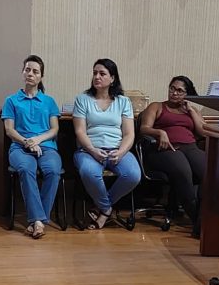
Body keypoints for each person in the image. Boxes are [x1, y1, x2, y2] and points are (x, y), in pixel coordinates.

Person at [73, 58, 141, 230]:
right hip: (89, 150)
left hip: (116, 149)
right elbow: (80, 131)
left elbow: (129, 134)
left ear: (112, 78)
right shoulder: (82, 99)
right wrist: (93, 150)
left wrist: (121, 152)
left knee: (133, 175)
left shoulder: (123, 101)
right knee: (89, 172)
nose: (97, 77)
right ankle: (106, 209)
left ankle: (101, 208)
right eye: (95, 73)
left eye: (102, 73)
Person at [1, 55, 62, 239]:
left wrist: (37, 140)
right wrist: (27, 142)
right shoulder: (11, 100)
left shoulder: (49, 101)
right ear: (22, 72)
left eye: (35, 71)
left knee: (53, 171)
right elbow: (9, 130)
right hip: (19, 147)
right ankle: (38, 220)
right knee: (26, 169)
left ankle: (37, 221)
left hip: (47, 147)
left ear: (41, 76)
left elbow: (54, 129)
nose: (30, 74)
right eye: (27, 70)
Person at [139, 76, 205, 237]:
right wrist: (160, 132)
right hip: (164, 150)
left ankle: (205, 218)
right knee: (183, 171)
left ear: (187, 94)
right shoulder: (157, 106)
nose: (174, 93)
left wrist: (191, 110)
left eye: (180, 91)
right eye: (172, 88)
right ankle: (200, 224)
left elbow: (203, 132)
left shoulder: (192, 110)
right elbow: (144, 128)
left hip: (190, 147)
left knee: (212, 172)